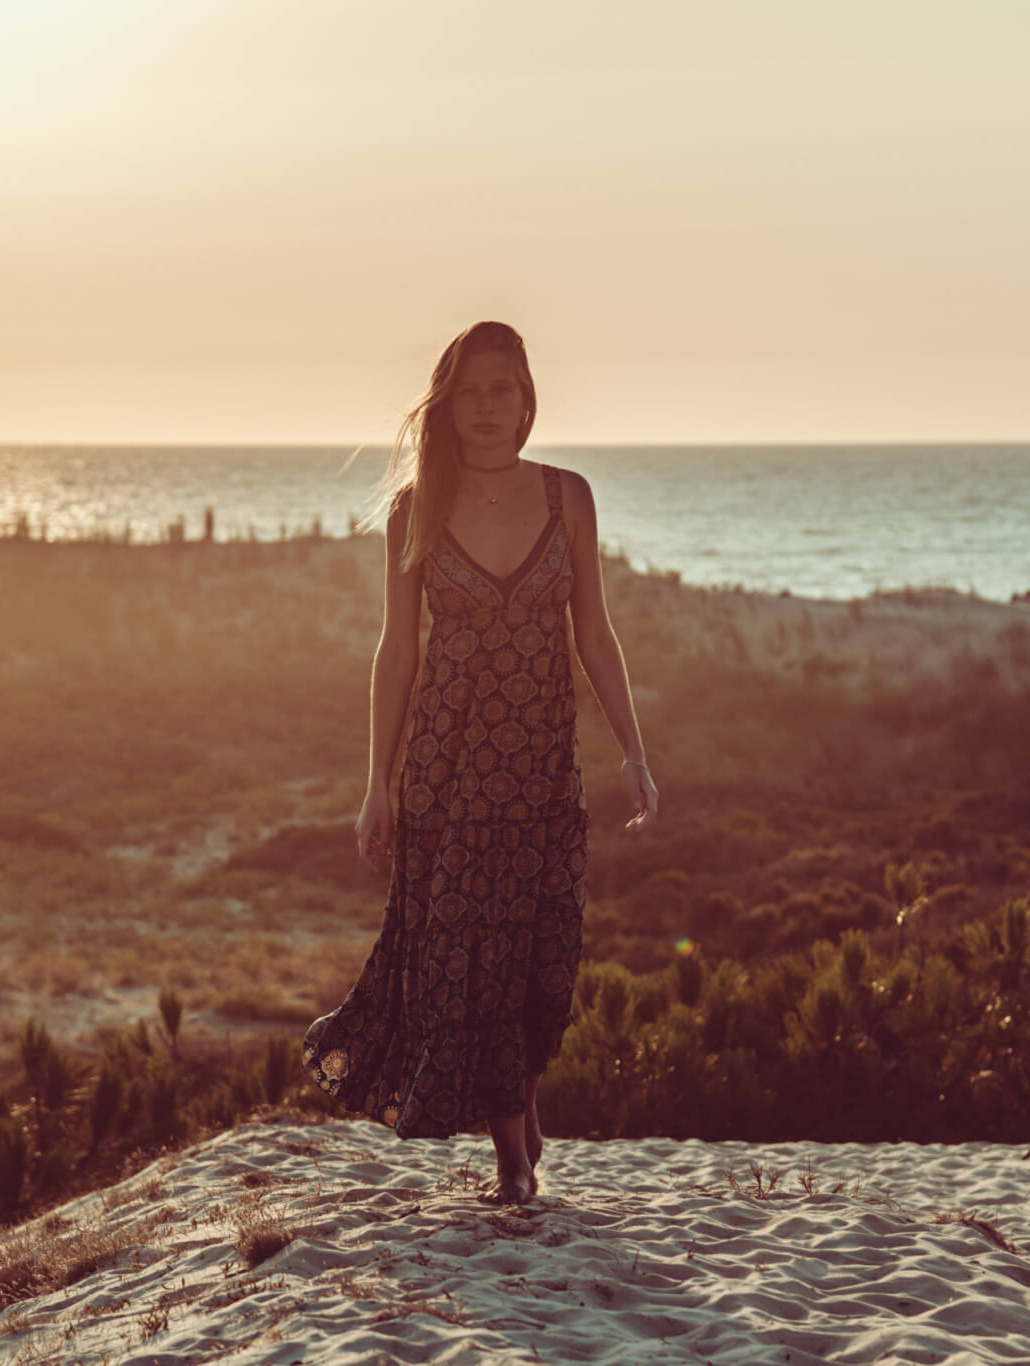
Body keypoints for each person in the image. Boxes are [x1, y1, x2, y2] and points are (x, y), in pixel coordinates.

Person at [301, 320, 658, 1205]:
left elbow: (595, 636)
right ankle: (512, 1159)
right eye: (471, 391)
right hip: (449, 773)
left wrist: (635, 753)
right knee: (471, 954)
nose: (488, 406)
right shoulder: (414, 510)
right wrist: (375, 785)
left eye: (504, 388)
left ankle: (522, 1116)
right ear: (447, 405)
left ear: (528, 399)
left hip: (543, 770)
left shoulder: (569, 497)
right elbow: (397, 653)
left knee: (538, 958)